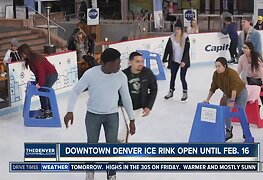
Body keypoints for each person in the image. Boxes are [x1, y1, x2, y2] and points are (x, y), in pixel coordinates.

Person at [64, 48, 136, 180]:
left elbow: (126, 98)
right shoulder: (91, 74)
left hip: (112, 116)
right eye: (117, 63)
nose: (120, 66)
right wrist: (69, 110)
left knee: (112, 147)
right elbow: (76, 91)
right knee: (92, 146)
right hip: (93, 116)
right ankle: (90, 174)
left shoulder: (121, 76)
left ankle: (112, 174)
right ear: (107, 63)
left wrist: (132, 119)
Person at [203, 57, 249, 141]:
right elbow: (213, 87)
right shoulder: (216, 74)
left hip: (241, 92)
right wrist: (207, 99)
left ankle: (246, 131)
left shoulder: (232, 73)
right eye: (216, 66)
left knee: (241, 111)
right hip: (229, 93)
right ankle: (228, 131)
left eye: (219, 66)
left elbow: (234, 89)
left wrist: (232, 101)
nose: (217, 68)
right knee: (227, 111)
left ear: (224, 66)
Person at [118, 52, 158, 142]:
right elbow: (116, 90)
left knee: (128, 126)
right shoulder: (123, 75)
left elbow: (154, 89)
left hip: (139, 106)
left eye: (142, 61)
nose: (140, 64)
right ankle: (122, 145)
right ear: (130, 62)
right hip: (125, 106)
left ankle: (120, 141)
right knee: (128, 126)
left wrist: (148, 106)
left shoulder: (148, 73)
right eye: (137, 61)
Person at [17, 44, 58, 119]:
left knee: (43, 91)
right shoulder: (29, 60)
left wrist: (40, 83)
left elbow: (41, 71)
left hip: (51, 75)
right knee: (42, 91)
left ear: (24, 52)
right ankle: (46, 109)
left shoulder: (35, 58)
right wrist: (37, 82)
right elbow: (37, 73)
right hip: (47, 75)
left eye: (21, 53)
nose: (20, 56)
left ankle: (47, 111)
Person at [237, 42, 263, 118]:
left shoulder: (256, 57)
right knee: (252, 95)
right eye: (243, 48)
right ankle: (255, 110)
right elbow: (239, 70)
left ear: (250, 49)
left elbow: (261, 70)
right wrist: (234, 79)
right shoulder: (242, 58)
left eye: (246, 48)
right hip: (250, 78)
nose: (244, 49)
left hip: (260, 78)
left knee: (262, 95)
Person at [163, 19, 190, 102]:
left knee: (182, 77)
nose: (177, 30)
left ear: (181, 29)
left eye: (178, 29)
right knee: (172, 77)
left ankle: (185, 92)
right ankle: (171, 91)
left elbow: (187, 51)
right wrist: (164, 59)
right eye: (176, 29)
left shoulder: (185, 38)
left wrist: (184, 61)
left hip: (183, 62)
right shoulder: (171, 38)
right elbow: (167, 49)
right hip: (174, 61)